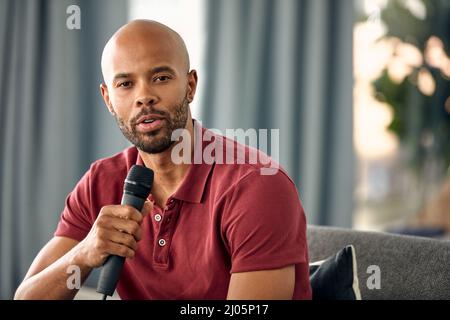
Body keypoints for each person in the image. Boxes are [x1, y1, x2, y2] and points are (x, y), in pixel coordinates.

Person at [14, 20, 312, 300]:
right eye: (125, 84)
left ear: (190, 85)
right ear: (108, 99)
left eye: (161, 78)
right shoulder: (100, 182)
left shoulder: (257, 185)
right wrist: (84, 253)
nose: (144, 96)